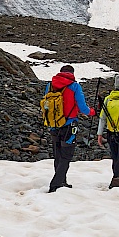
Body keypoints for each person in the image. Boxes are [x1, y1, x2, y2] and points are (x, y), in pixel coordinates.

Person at [41, 65, 93, 193]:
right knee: (66, 155)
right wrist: (92, 112)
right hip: (69, 125)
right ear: (72, 73)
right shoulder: (74, 86)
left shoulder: (50, 85)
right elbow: (83, 108)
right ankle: (56, 184)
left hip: (53, 124)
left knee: (57, 154)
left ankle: (62, 181)